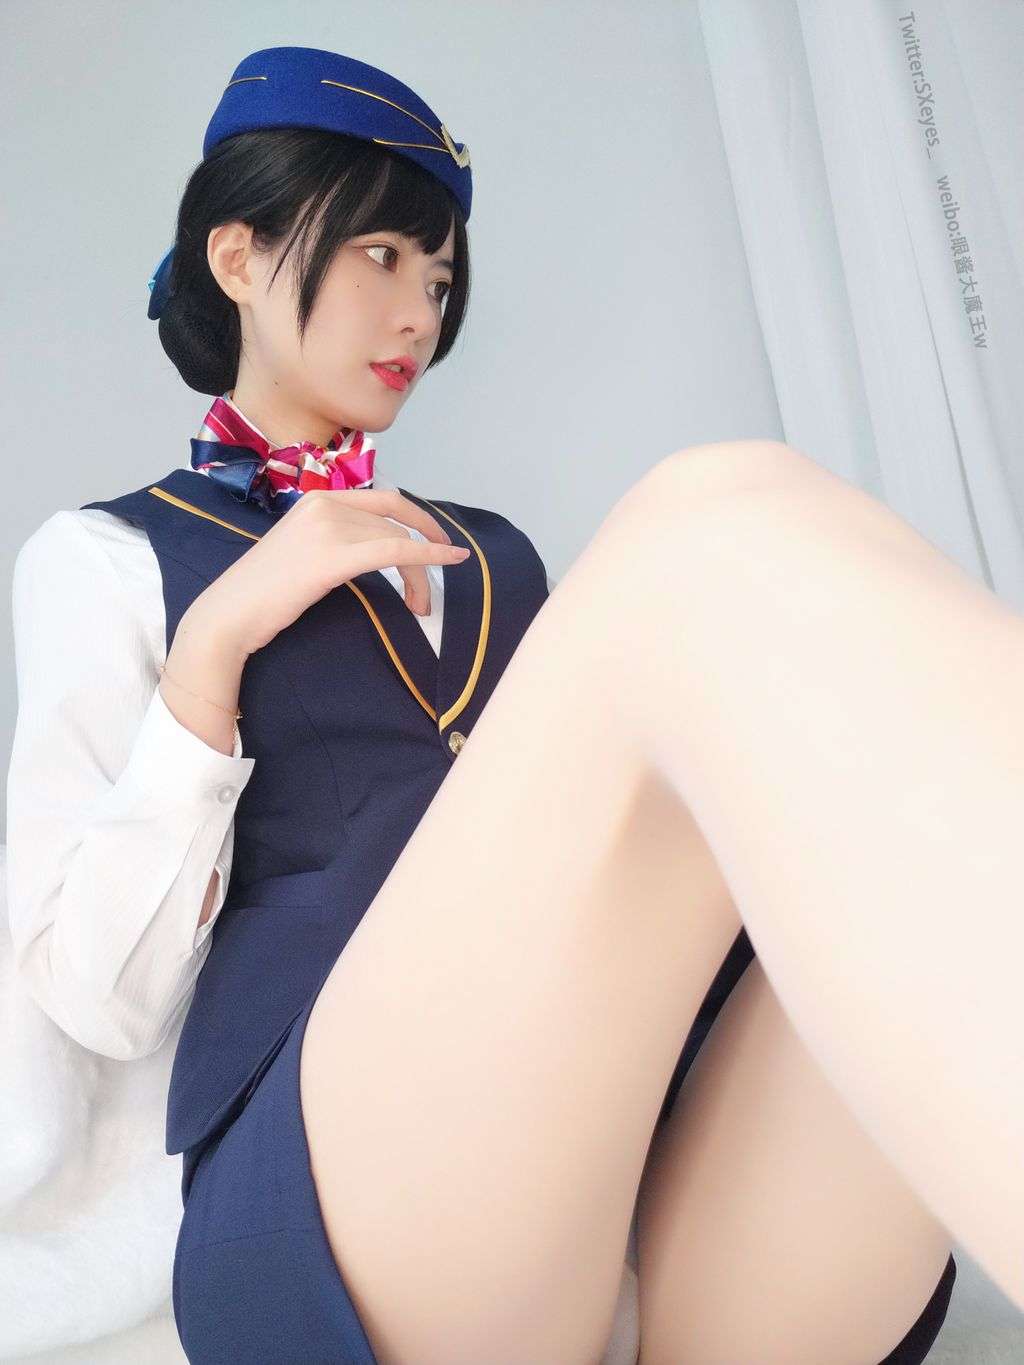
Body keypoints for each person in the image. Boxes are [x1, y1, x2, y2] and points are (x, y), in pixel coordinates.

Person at [11, 42, 1022, 1365]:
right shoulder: (110, 560)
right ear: (238, 257)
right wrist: (211, 653)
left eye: (439, 280)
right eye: (382, 256)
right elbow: (97, 1000)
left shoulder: (492, 555)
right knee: (712, 512)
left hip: (640, 1184)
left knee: (876, 818)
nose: (419, 315)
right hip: (330, 1203)